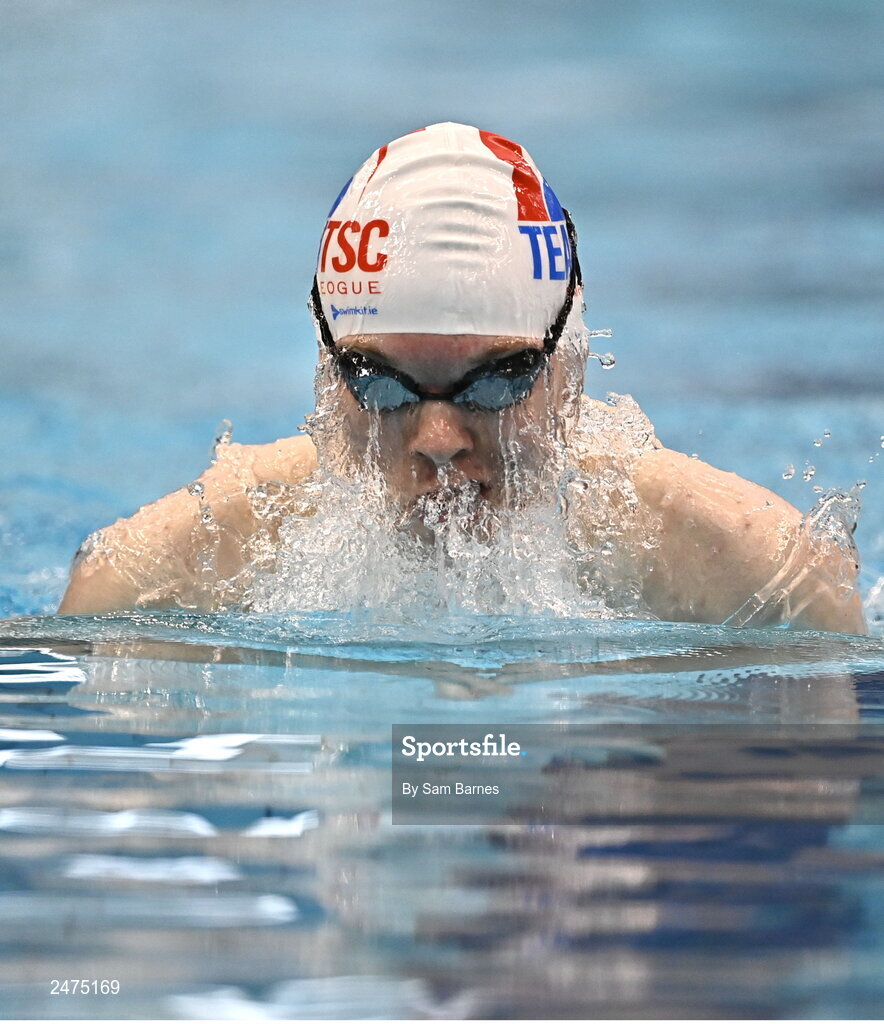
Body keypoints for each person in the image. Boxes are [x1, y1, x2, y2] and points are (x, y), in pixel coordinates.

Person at [59, 123, 865, 632]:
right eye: (382, 385)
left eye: (495, 383)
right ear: (325, 376)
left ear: (571, 369)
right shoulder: (149, 583)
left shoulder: (758, 580)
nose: (439, 441)